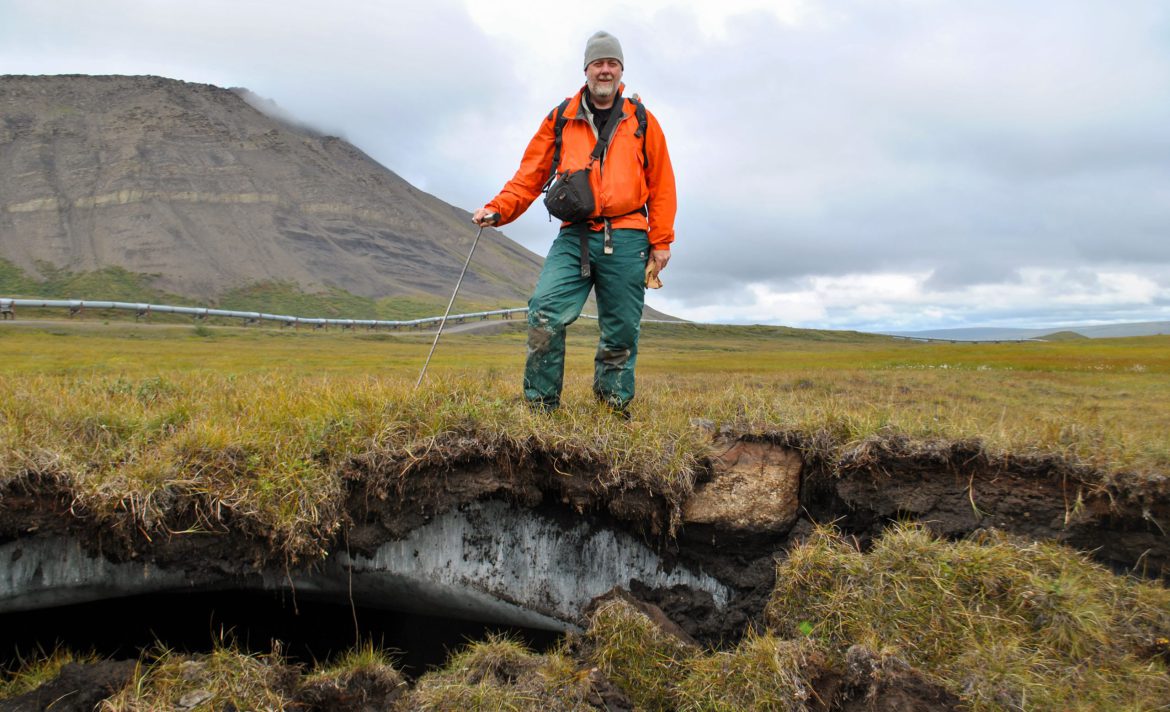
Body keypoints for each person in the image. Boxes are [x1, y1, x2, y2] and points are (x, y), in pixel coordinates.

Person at [473, 30, 677, 415]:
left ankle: (612, 410)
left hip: (630, 235)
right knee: (545, 311)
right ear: (586, 70)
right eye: (598, 63)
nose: (605, 70)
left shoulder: (643, 121)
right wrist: (498, 208)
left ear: (621, 71)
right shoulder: (561, 118)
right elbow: (529, 175)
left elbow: (662, 183)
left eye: (612, 63)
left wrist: (661, 240)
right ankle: (541, 409)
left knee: (620, 331)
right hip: (576, 235)